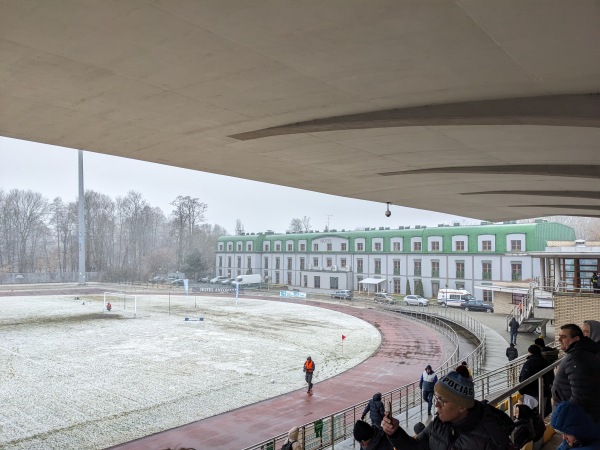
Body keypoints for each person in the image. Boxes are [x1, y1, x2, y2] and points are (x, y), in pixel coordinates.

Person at [382, 370, 514, 449]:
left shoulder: (491, 439)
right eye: (436, 398)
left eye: (441, 400)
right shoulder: (438, 424)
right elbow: (417, 447)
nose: (436, 405)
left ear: (462, 406)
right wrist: (395, 433)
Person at [552, 323, 600, 423]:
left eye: (564, 337)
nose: (559, 340)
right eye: (559, 336)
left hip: (575, 419)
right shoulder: (580, 353)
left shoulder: (576, 358)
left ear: (576, 338)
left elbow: (580, 396)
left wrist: (566, 417)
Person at [518, 345, 553, 415]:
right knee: (541, 414)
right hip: (544, 393)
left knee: (531, 414)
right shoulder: (547, 363)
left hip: (531, 394)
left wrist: (521, 391)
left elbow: (524, 379)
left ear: (530, 353)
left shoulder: (529, 363)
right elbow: (551, 378)